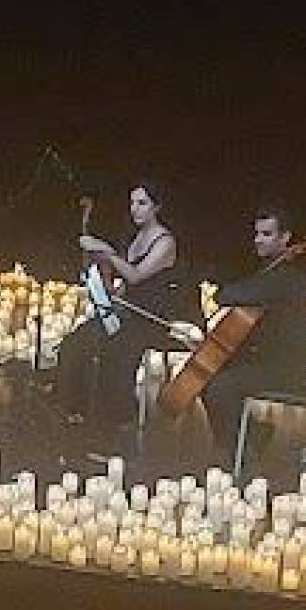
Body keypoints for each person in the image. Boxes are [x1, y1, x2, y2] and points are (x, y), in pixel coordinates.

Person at [54, 181, 200, 443]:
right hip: (126, 312)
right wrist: (103, 280)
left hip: (148, 318)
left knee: (114, 349)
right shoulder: (135, 238)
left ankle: (116, 419)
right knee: (76, 342)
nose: (135, 209)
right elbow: (123, 286)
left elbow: (136, 276)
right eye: (132, 203)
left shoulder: (165, 242)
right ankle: (72, 409)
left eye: (142, 203)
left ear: (156, 207)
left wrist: (105, 251)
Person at [196, 205, 306, 458]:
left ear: (285, 238)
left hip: (285, 369)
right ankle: (251, 434)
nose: (258, 240)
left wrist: (223, 292)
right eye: (257, 234)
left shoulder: (284, 278)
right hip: (271, 359)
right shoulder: (274, 274)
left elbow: (228, 295)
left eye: (267, 234)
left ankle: (239, 452)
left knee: (221, 387)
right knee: (207, 373)